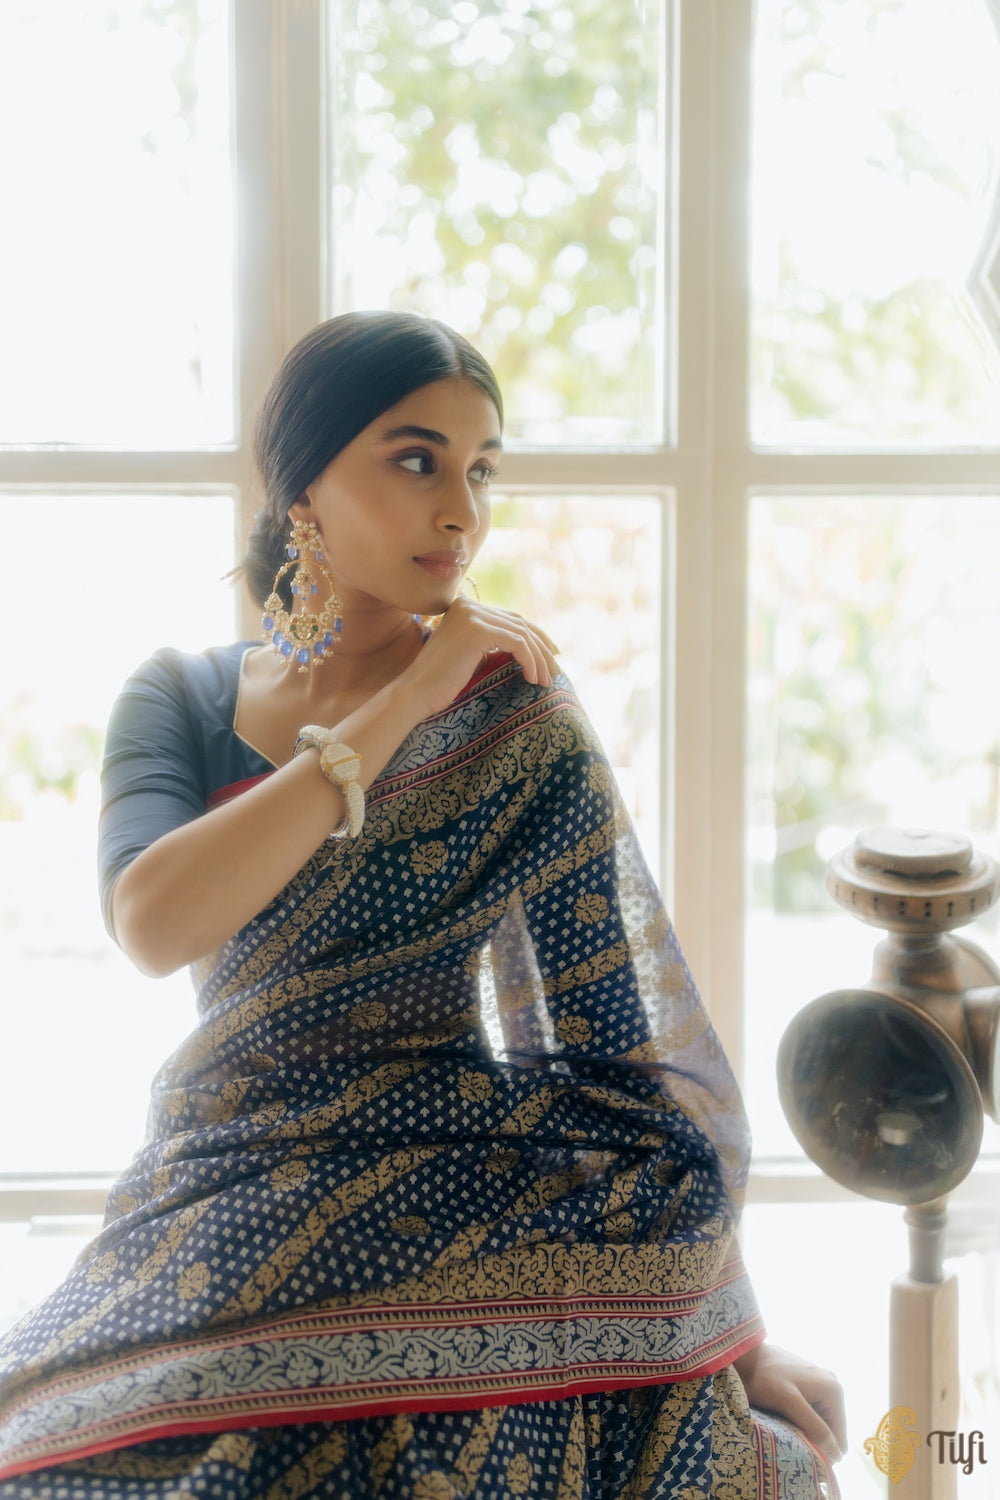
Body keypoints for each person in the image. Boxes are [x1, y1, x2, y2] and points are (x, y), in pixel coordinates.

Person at [0, 311, 845, 1498]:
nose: (461, 509)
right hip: (228, 1163)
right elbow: (153, 922)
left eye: (481, 468)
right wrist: (402, 700)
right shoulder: (183, 697)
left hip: (467, 1178)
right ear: (304, 485)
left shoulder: (519, 720)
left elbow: (619, 1048)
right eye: (416, 460)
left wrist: (715, 1327)